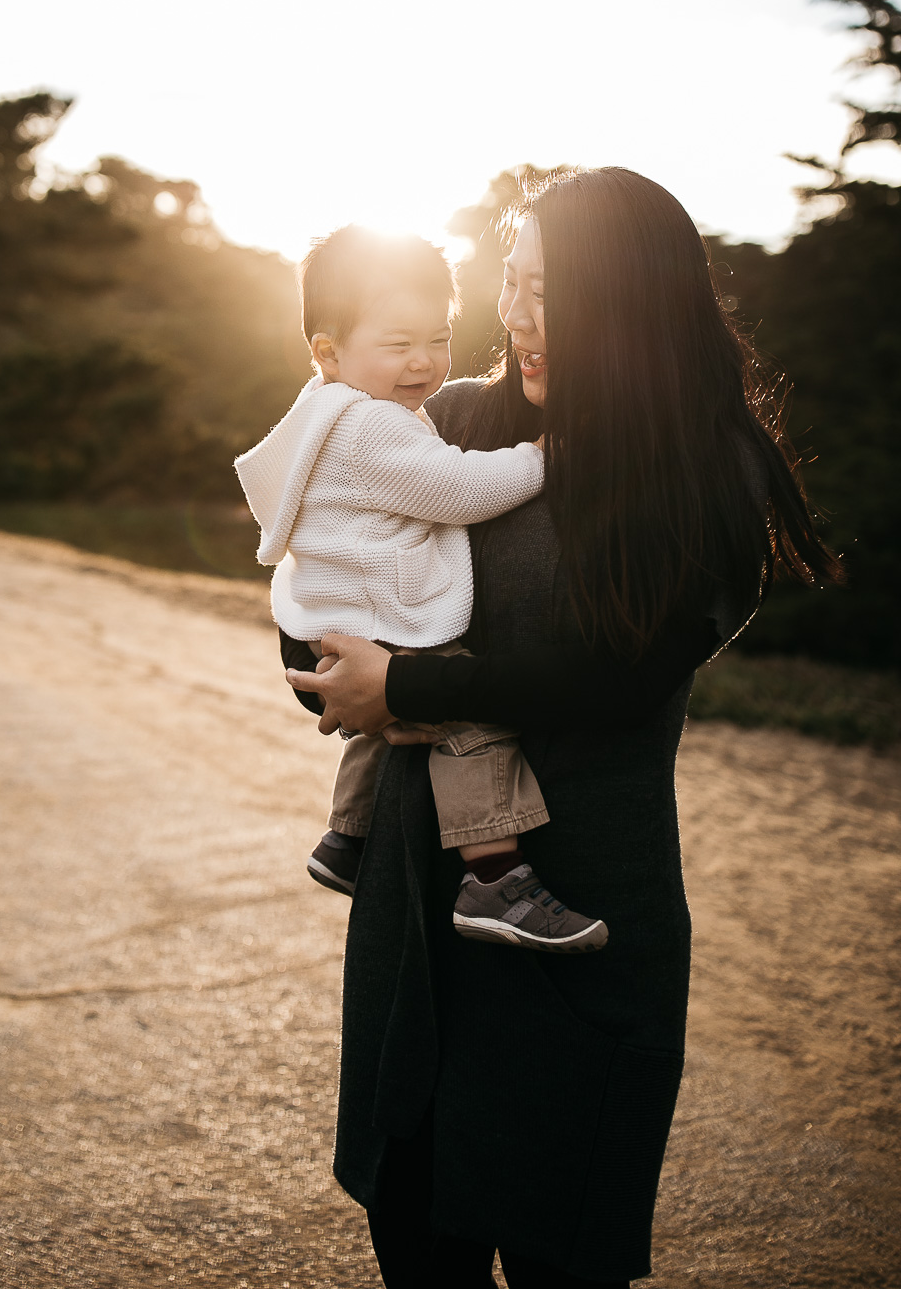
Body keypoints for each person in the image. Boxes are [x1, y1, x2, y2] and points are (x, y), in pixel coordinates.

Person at [283, 168, 841, 1289]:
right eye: (510, 282)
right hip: (420, 911)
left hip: (580, 910)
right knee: (416, 1240)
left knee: (562, 1254)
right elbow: (327, 588)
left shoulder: (709, 472)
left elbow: (616, 676)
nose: (515, 316)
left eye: (547, 290)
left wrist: (410, 688)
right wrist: (329, 666)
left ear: (628, 300)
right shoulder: (452, 422)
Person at [234, 225, 605, 950]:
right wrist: (540, 460)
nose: (423, 361)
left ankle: (347, 838)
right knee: (467, 719)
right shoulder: (369, 425)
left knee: (390, 722)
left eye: (439, 338)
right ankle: (494, 876)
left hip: (345, 611)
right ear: (328, 352)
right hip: (378, 609)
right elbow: (455, 488)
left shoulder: (328, 408)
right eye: (398, 343)